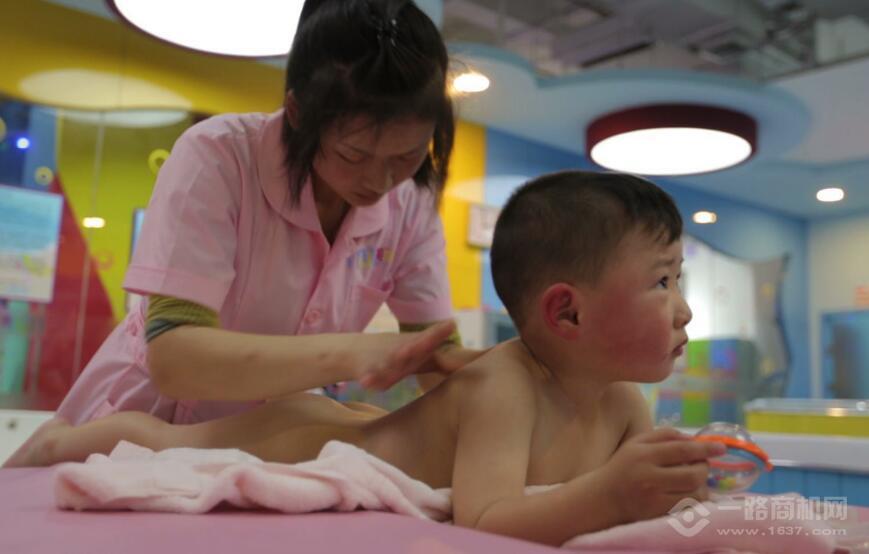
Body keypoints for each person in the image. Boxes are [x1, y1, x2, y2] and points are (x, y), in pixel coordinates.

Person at [7, 171, 725, 546]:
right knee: (168, 445)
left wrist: (685, 486)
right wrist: (613, 493)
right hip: (306, 439)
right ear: (566, 312)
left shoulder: (622, 403)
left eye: (677, 279)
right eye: (662, 282)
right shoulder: (506, 385)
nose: (683, 309)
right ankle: (65, 438)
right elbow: (485, 522)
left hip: (362, 426)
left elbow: (656, 508)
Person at [56, 0, 483, 426]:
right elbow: (174, 357)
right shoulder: (219, 157)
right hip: (134, 418)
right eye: (353, 154)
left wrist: (504, 372)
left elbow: (438, 357)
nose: (381, 180)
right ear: (298, 113)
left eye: (407, 156)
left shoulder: (412, 205)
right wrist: (353, 353)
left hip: (250, 438)